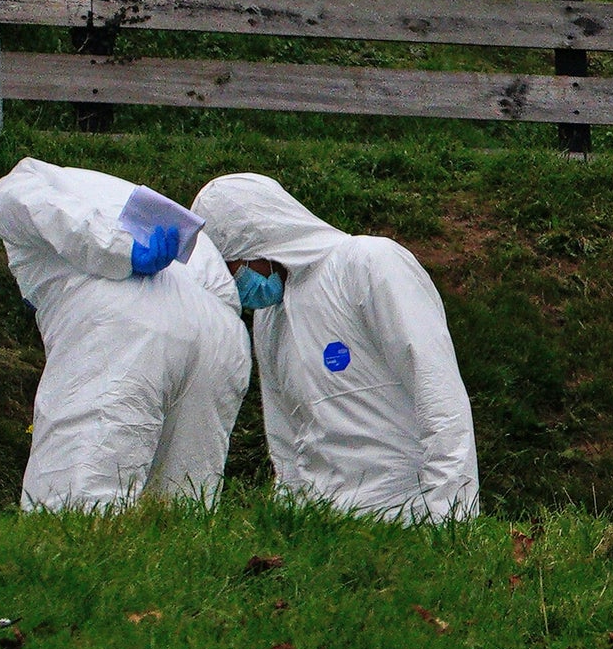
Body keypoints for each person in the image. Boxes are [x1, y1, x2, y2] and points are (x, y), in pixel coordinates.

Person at [188, 174, 480, 522]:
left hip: (406, 516)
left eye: (232, 267)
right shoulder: (270, 318)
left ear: (256, 239)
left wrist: (451, 514)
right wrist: (292, 516)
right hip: (325, 528)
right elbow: (284, 434)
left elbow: (438, 394)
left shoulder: (368, 263)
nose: (234, 282)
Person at [0, 157, 252, 511]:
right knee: (183, 496)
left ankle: (70, 558)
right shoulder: (109, 191)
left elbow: (22, 202)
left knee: (83, 487)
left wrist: (120, 249)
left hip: (128, 315)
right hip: (223, 334)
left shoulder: (26, 180)